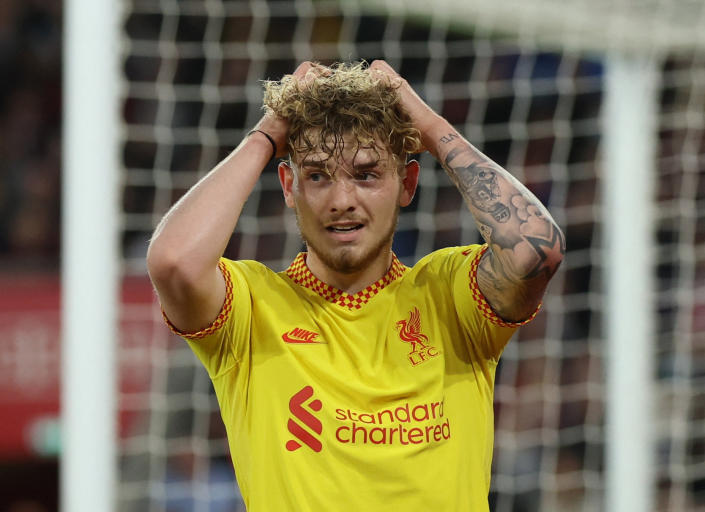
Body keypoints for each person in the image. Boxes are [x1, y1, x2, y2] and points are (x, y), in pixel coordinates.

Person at [146, 60, 564, 511]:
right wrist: (269, 133)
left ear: (407, 183)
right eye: (318, 176)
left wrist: (426, 122)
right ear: (289, 186)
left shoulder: (448, 294)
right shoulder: (251, 308)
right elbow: (174, 263)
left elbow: (533, 250)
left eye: (366, 175)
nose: (342, 201)